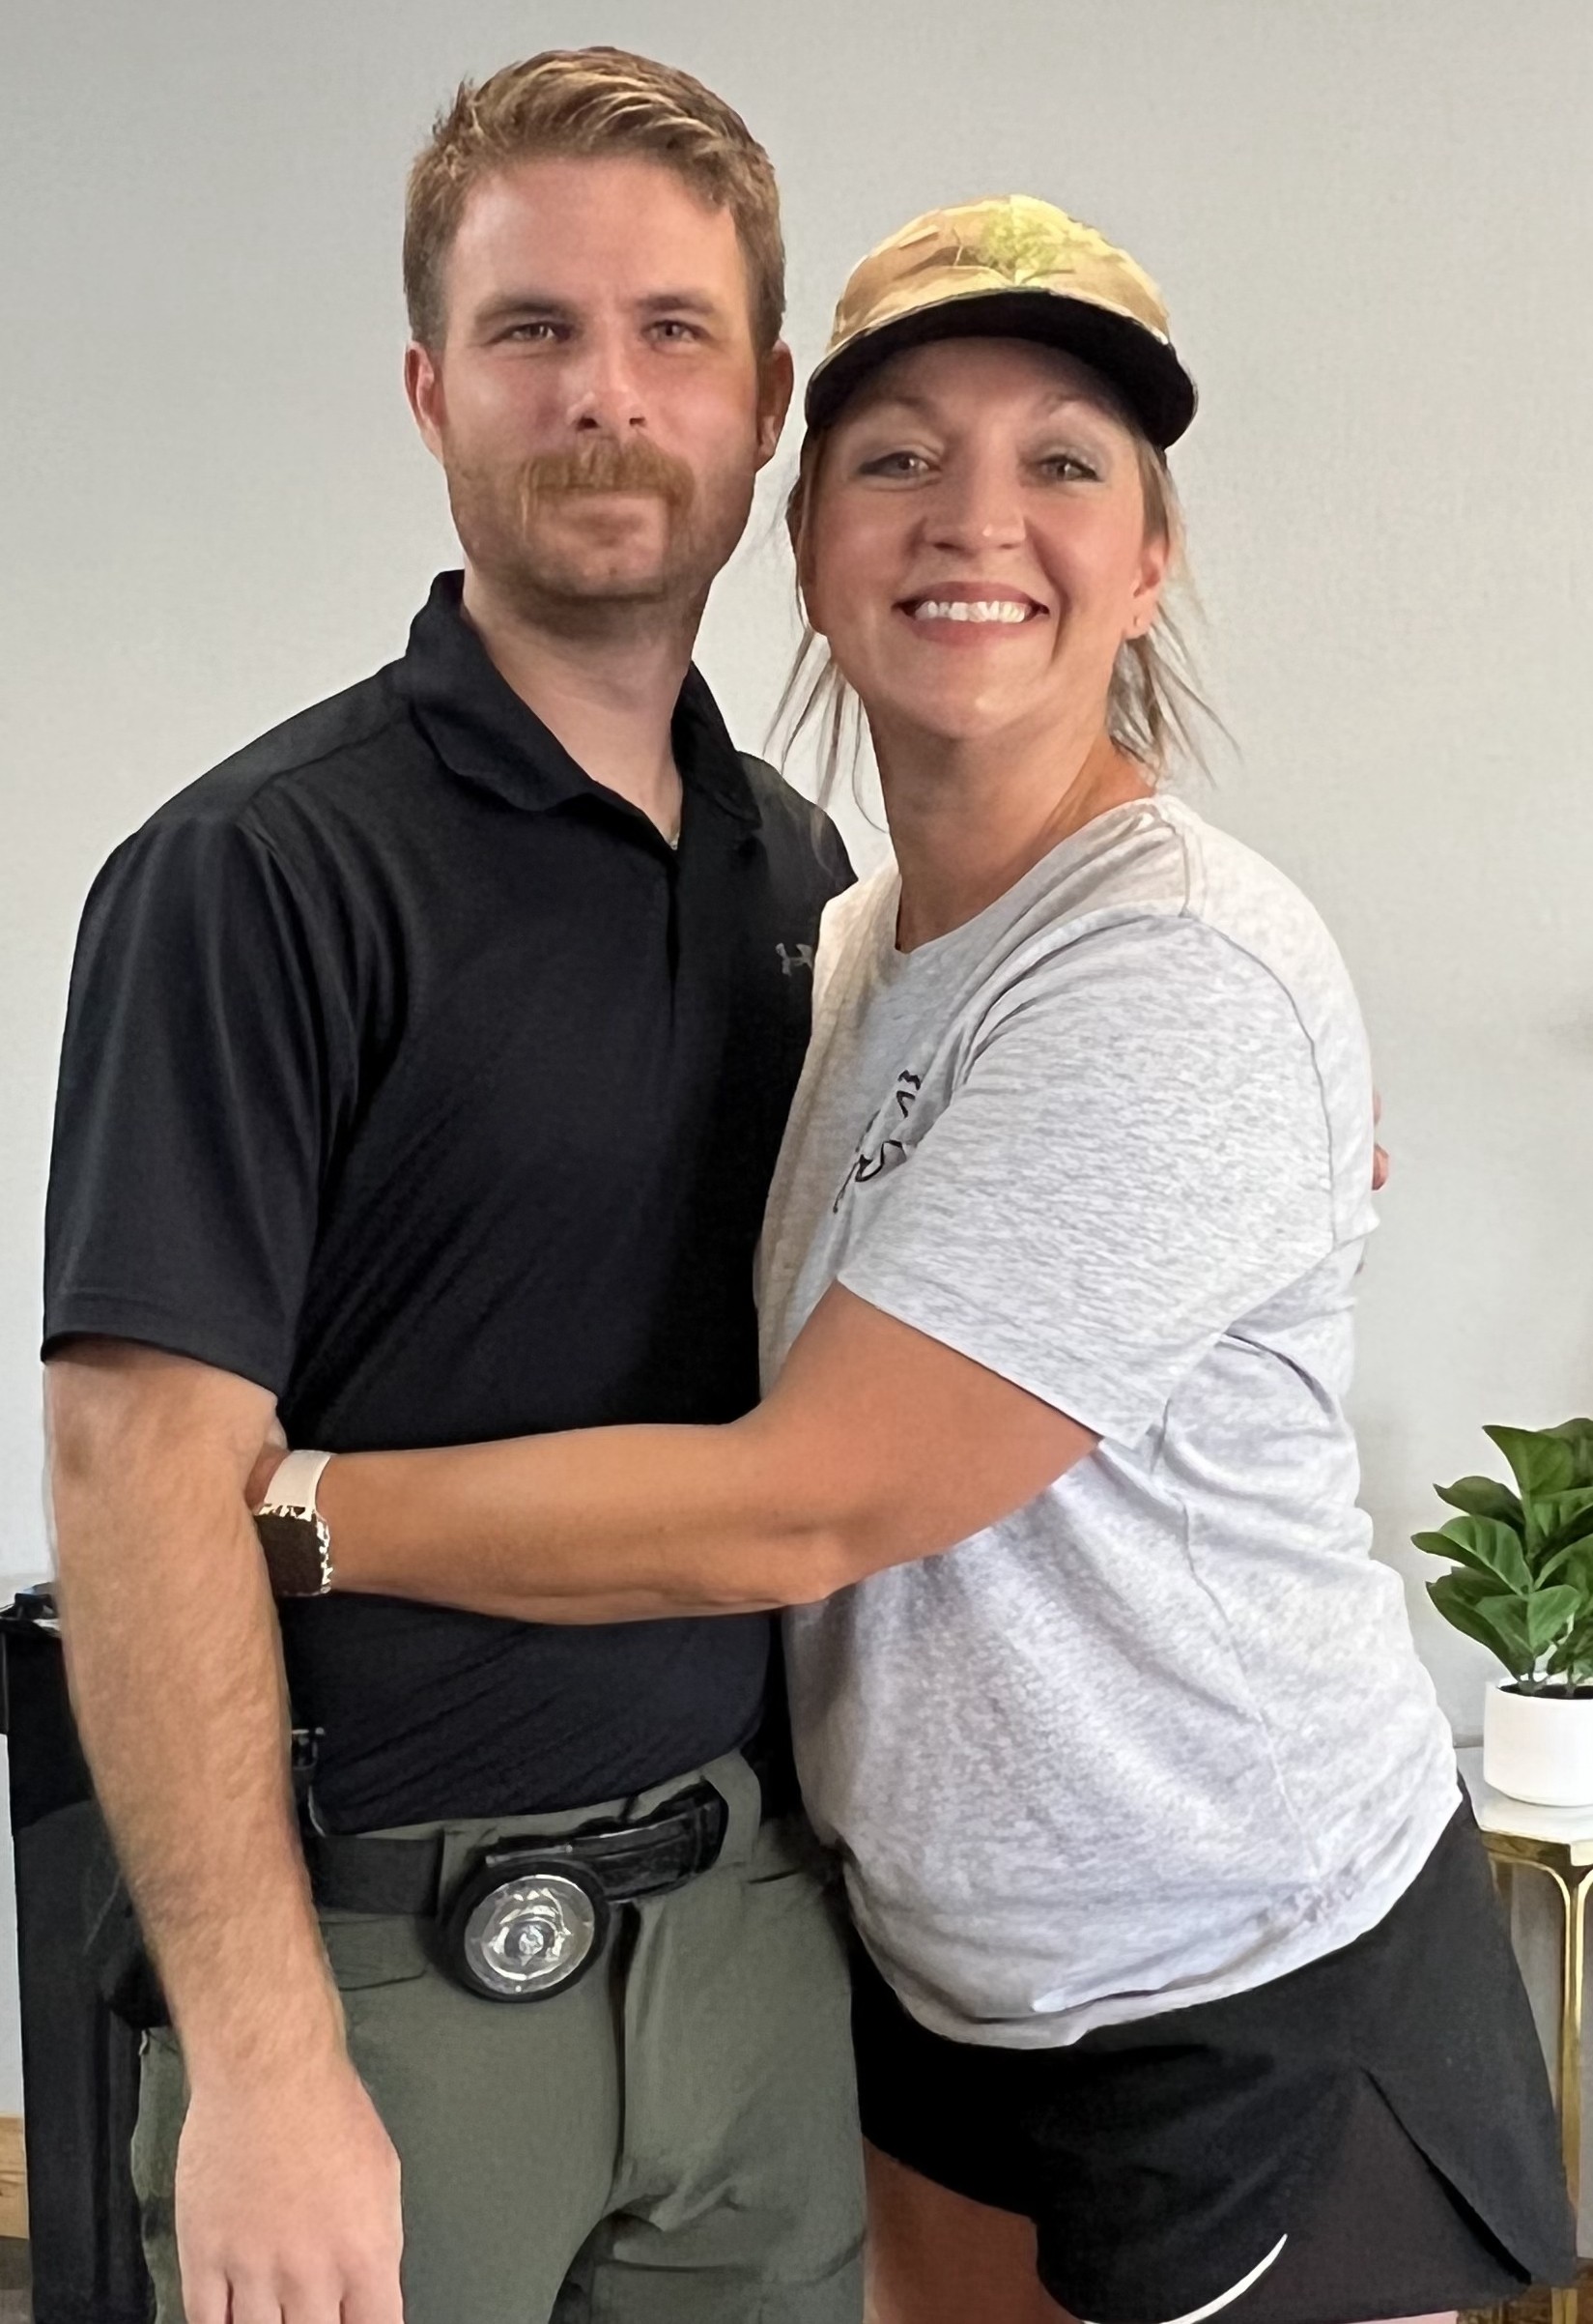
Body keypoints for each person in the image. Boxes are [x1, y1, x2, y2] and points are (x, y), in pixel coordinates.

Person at [263, 197, 1579, 2324]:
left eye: (1062, 460)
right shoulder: (851, 933)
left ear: (1148, 557)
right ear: (808, 541)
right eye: (897, 457)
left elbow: (809, 1500)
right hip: (945, 1974)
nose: (976, 517)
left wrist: (292, 1512)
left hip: (1241, 1975)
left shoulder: (1173, 966)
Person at [43, 47, 867, 2324]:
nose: (605, 394)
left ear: (764, 405)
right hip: (389, 1981)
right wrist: (263, 2062)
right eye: (534, 331)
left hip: (750, 1946)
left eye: (672, 332)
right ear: (430, 391)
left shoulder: (807, 877)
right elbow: (133, 1480)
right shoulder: (255, 877)